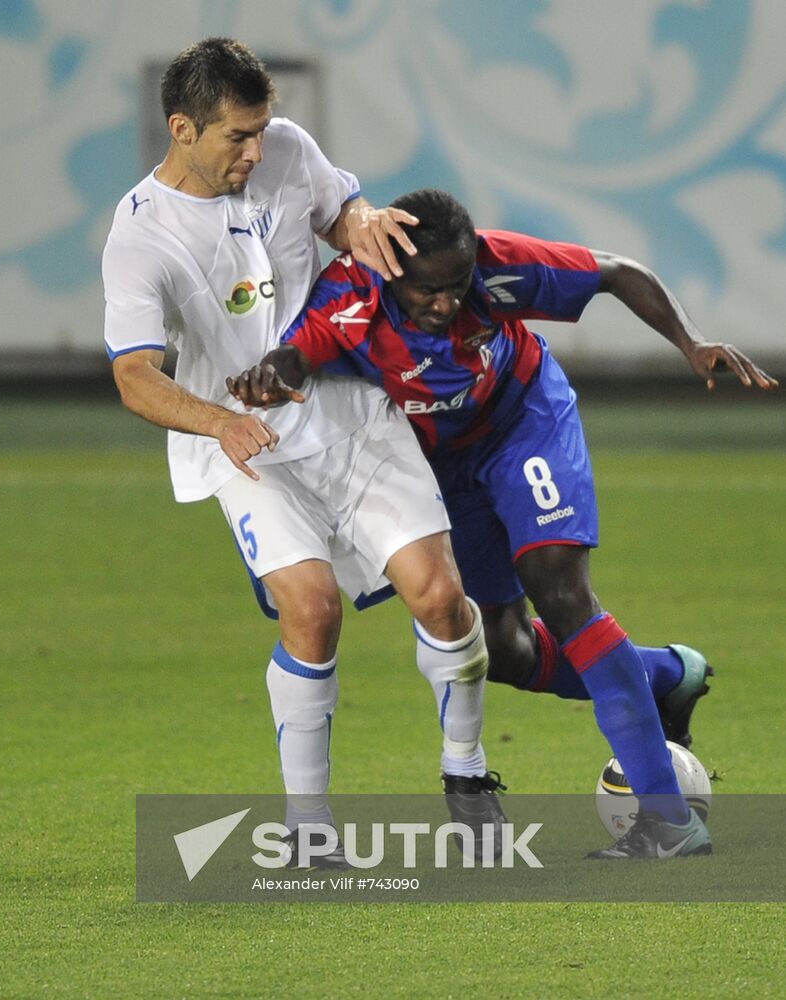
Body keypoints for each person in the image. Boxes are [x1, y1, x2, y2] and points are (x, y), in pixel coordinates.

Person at [228, 187, 778, 860]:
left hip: (525, 421)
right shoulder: (348, 293)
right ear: (390, 271)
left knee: (561, 588)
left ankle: (667, 817)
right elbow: (295, 355)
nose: (446, 303)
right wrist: (269, 373)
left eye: (457, 287)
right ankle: (664, 674)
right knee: (503, 651)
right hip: (440, 464)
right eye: (427, 292)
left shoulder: (496, 266)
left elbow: (615, 273)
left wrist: (690, 342)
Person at [102, 47, 505, 869]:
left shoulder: (286, 147)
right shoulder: (139, 235)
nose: (255, 152)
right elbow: (135, 376)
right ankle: (309, 824)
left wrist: (362, 225)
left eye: (259, 133)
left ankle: (467, 772)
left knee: (441, 596)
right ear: (181, 129)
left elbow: (344, 211)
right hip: (246, 446)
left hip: (348, 409)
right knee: (312, 610)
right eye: (235, 138)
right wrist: (216, 422)